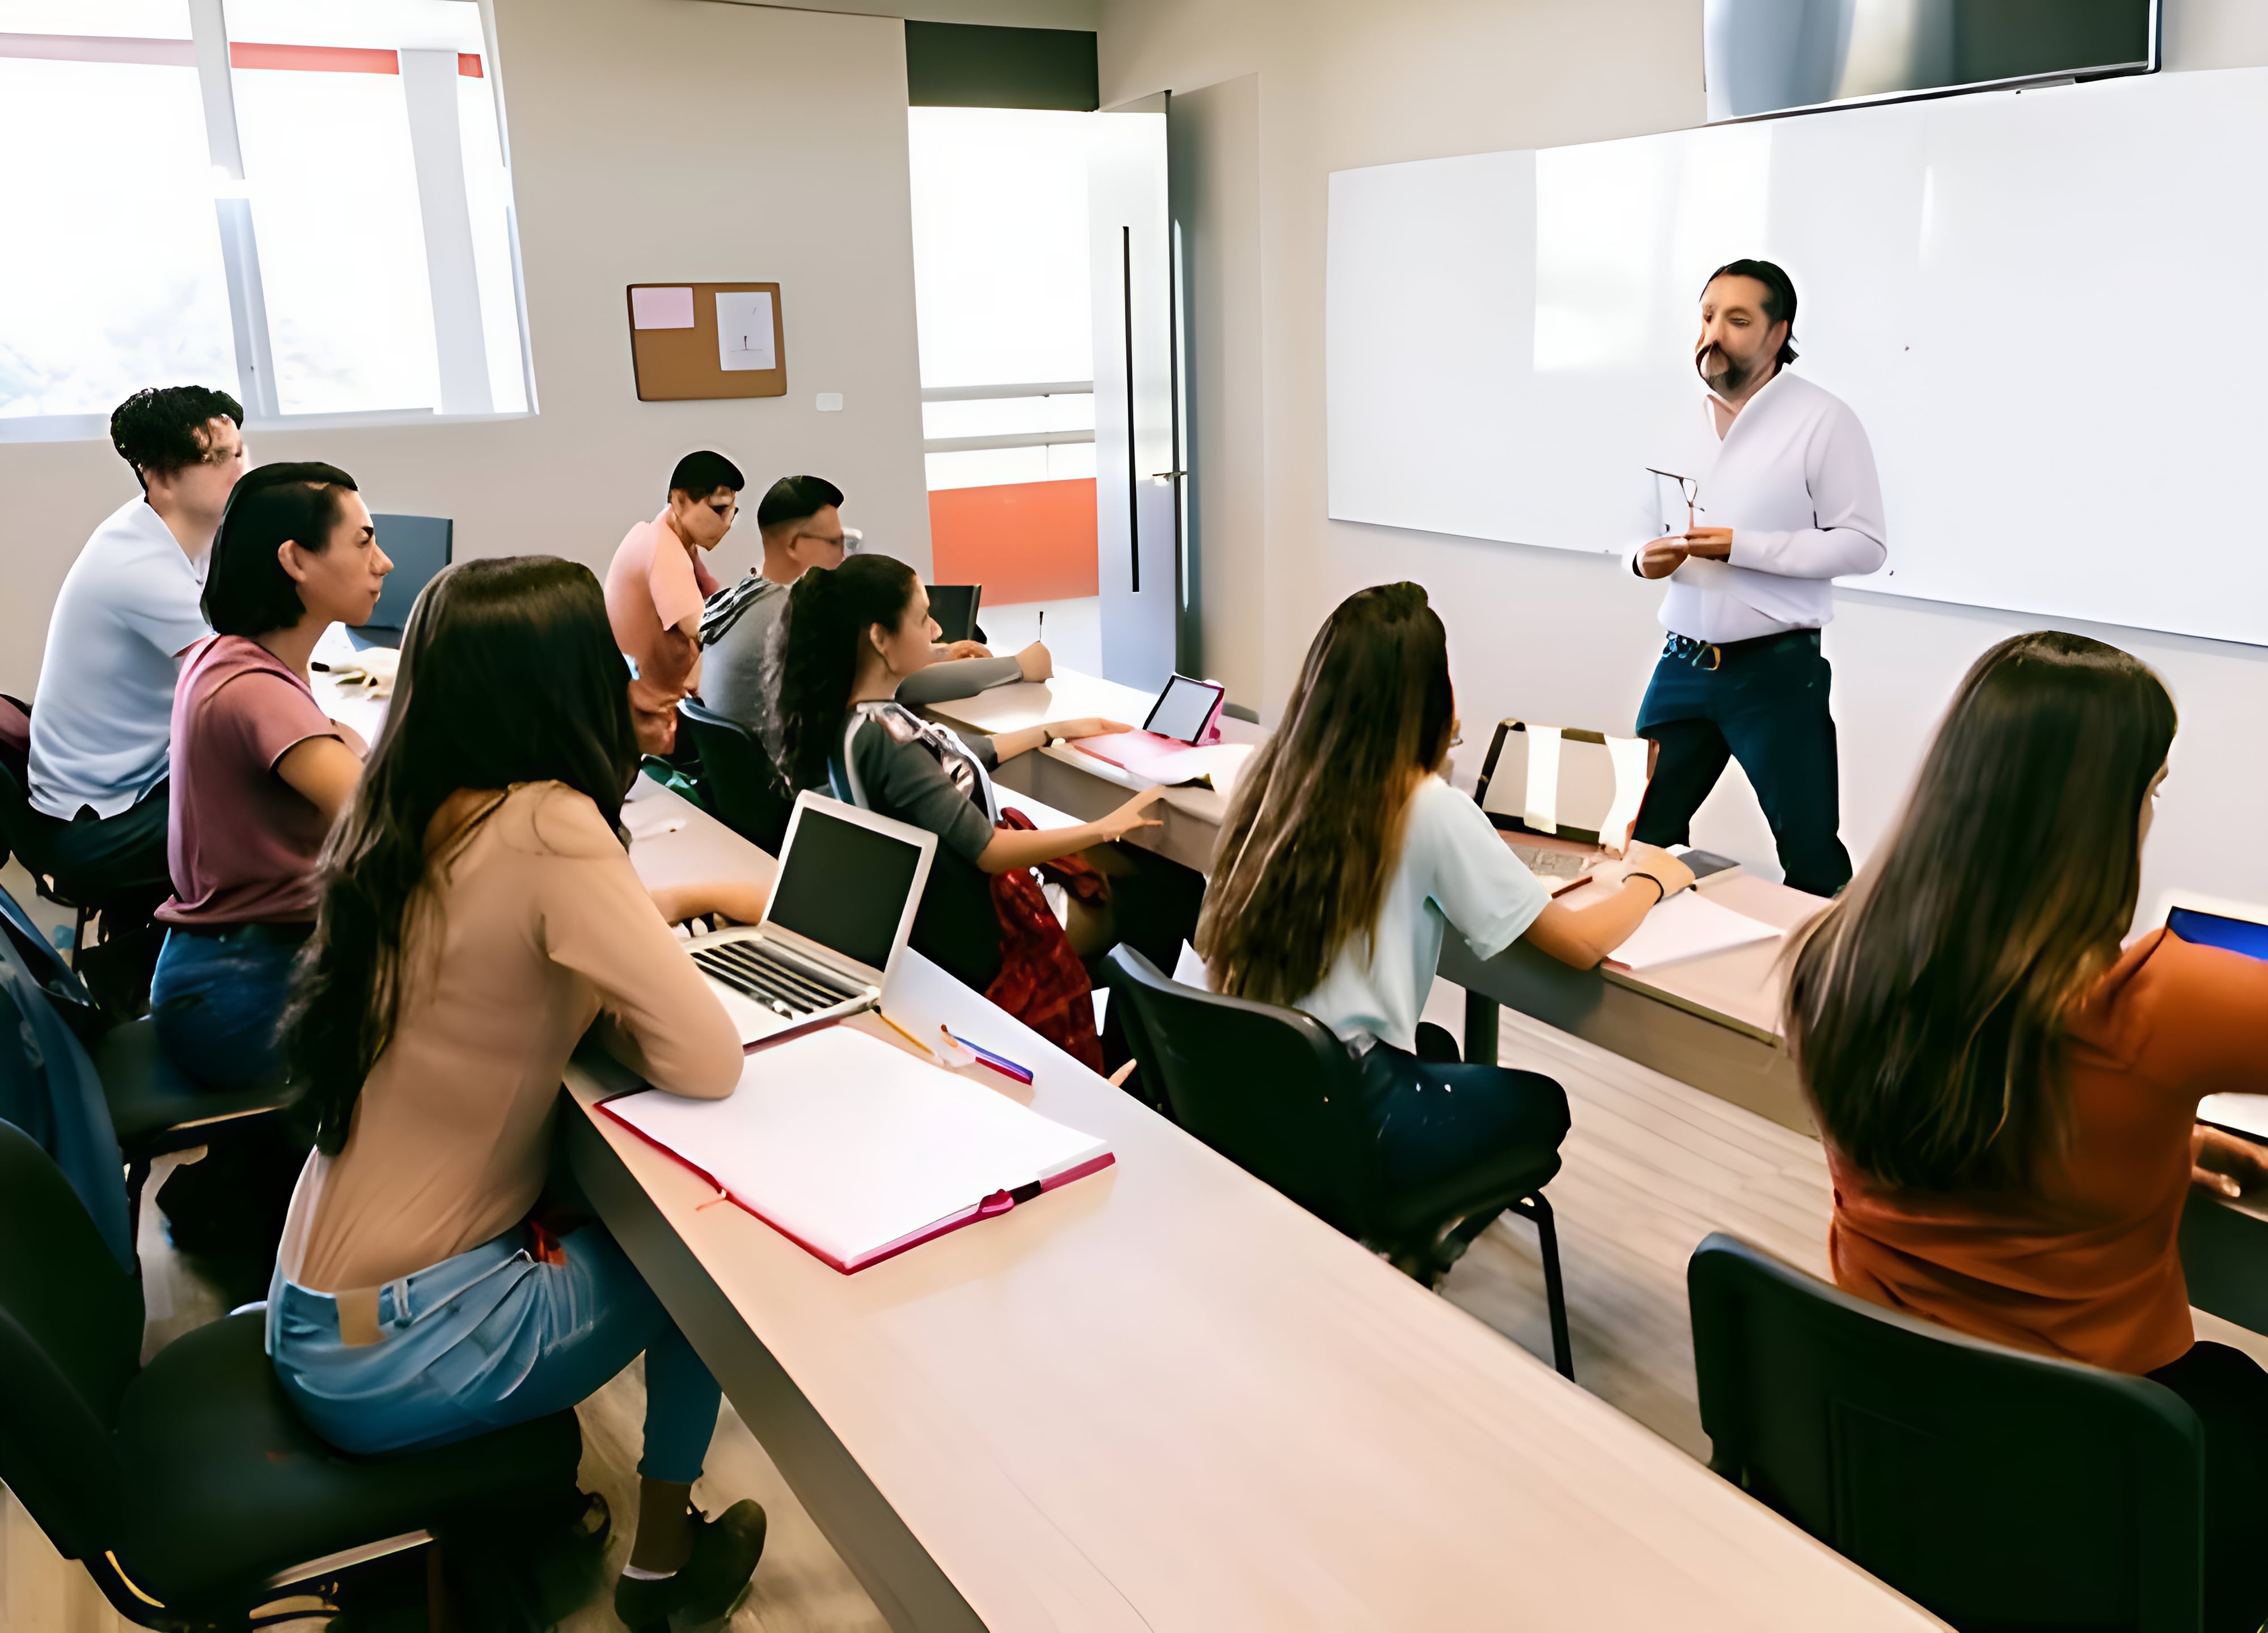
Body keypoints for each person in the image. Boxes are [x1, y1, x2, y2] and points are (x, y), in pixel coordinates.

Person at [269, 557, 771, 1631]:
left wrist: (649, 916)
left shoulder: (405, 806)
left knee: (618, 1202)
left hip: (317, 1312)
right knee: (708, 1262)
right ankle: (663, 1569)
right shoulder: (550, 822)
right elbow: (708, 1061)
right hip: (405, 1347)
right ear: (571, 681)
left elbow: (501, 964)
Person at [1784, 629, 2268, 1633]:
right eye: (2152, 789)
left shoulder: (1833, 957)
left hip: (1881, 1436)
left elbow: (1980, 1116)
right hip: (2094, 1473)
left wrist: (2152, 1145)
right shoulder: (2162, 1003)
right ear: (2099, 814)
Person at [1195, 583, 1692, 1242]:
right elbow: (1577, 944)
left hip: (1259, 1080)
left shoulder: (1271, 775)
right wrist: (1650, 883)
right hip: (1346, 1104)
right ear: (1428, 697)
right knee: (1541, 1103)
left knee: (1440, 1049)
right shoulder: (1425, 805)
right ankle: (1419, 1243)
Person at [773, 554, 1170, 1038]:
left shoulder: (858, 722)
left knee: (1128, 869)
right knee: (1160, 890)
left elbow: (952, 761)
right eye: (922, 618)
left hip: (948, 921)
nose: (937, 629)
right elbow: (988, 850)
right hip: (991, 932)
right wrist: (1104, 826)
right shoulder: (884, 737)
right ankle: (1135, 1059)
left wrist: (1052, 731)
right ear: (880, 638)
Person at [1626, 259, 1886, 898]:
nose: (1714, 333)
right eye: (1708, 316)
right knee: (1639, 839)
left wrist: (1742, 548)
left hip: (1773, 675)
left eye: (1738, 321)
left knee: (1810, 854)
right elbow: (1634, 531)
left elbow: (1864, 545)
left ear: (1778, 333)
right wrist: (1641, 559)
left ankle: (1829, 991)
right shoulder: (1675, 421)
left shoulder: (1824, 420)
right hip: (1681, 664)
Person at [151, 462, 391, 1092]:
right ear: (296, 561)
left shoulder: (230, 656)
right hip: (240, 991)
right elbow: (386, 826)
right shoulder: (254, 687)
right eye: (364, 541)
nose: (384, 563)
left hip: (227, 968)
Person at [23, 386, 249, 991]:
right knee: (275, 812)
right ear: (160, 476)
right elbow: (241, 685)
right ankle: (188, 985)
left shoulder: (176, 535)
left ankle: (162, 957)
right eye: (220, 459)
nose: (241, 470)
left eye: (240, 452)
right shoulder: (139, 565)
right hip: (95, 829)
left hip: (133, 781)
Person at [699, 473, 1044, 765]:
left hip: (753, 797)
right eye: (835, 542)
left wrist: (941, 652)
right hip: (799, 798)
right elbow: (898, 681)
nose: (845, 555)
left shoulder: (743, 598)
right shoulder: (795, 616)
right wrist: (1019, 665)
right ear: (794, 546)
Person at [605, 450, 740, 756]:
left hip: (661, 708)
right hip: (657, 721)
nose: (728, 524)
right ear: (679, 501)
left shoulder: (670, 537)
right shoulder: (663, 550)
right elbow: (706, 630)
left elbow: (716, 598)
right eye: (719, 510)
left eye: (733, 512)